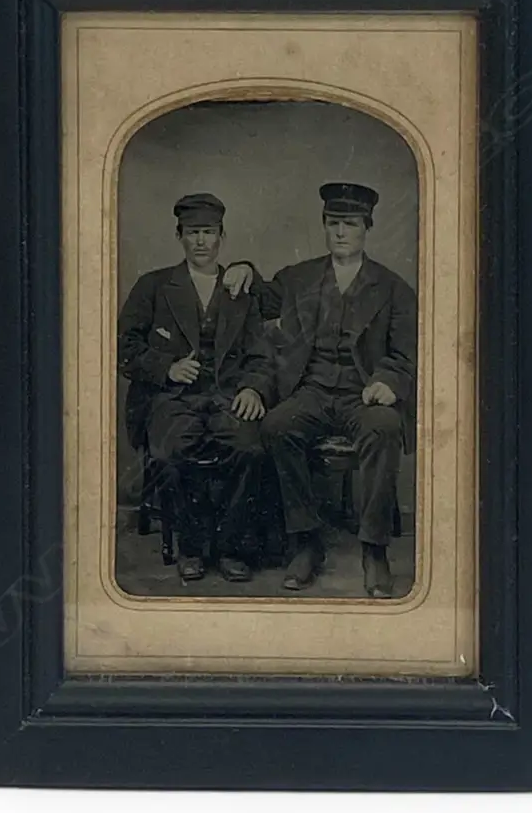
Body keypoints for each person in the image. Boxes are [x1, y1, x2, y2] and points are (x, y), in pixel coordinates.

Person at [222, 182, 417, 598]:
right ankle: (306, 541)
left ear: (367, 229)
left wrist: (387, 381)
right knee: (277, 425)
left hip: (362, 394)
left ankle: (374, 549)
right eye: (333, 224)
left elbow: (405, 352)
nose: (340, 232)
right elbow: (260, 292)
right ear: (325, 228)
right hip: (311, 392)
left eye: (350, 224)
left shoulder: (393, 288)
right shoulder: (300, 277)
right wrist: (241, 266)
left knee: (384, 427)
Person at [118, 192, 274, 582]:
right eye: (192, 233)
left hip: (226, 397)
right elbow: (123, 347)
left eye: (208, 232)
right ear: (179, 236)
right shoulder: (154, 286)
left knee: (251, 450)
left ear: (222, 236)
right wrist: (166, 367)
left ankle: (231, 548)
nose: (201, 241)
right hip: (171, 399)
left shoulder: (239, 290)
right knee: (170, 454)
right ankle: (192, 545)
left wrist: (253, 389)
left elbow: (261, 355)